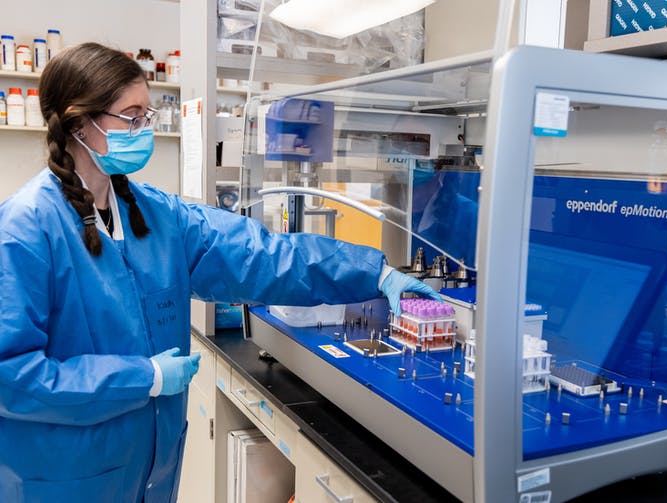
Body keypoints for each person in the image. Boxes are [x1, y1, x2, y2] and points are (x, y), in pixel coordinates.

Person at [0, 42, 440, 503]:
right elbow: (12, 375)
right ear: (77, 123)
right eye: (131, 117)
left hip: (150, 476)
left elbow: (263, 255)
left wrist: (373, 274)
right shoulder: (25, 229)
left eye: (146, 117)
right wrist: (142, 378)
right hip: (64, 479)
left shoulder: (151, 215)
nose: (142, 130)